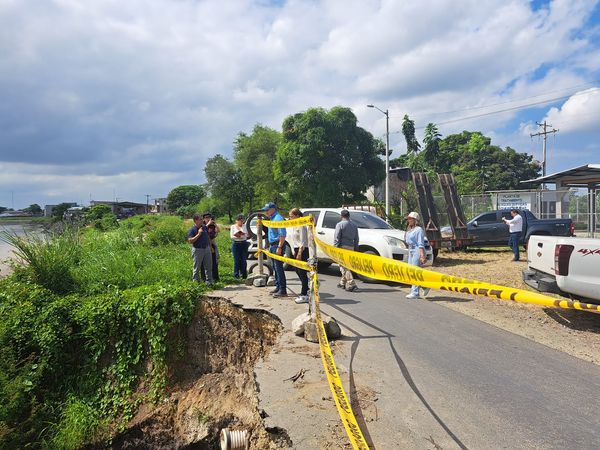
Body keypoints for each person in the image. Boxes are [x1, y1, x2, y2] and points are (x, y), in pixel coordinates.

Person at [262, 202, 287, 297]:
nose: (266, 212)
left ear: (273, 209)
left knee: (278, 268)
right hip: (273, 245)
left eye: (267, 210)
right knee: (275, 267)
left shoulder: (278, 218)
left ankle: (283, 290)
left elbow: (282, 234)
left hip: (277, 245)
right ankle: (278, 286)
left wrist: (279, 247)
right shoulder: (272, 218)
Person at [405, 211, 430, 299]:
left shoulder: (418, 230)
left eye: (410, 219)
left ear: (415, 220)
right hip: (411, 250)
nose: (409, 220)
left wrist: (422, 255)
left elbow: (420, 244)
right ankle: (425, 286)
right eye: (408, 219)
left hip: (417, 250)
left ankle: (415, 293)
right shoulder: (409, 229)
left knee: (414, 271)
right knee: (410, 271)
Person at [334, 209, 359, 292]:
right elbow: (356, 238)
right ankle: (342, 283)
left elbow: (337, 237)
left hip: (342, 247)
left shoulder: (340, 224)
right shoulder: (354, 225)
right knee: (347, 266)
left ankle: (352, 284)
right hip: (351, 247)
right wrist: (356, 248)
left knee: (343, 267)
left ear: (341, 216)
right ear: (349, 216)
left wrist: (335, 248)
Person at [289, 208, 309, 304]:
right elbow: (294, 239)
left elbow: (303, 240)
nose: (290, 218)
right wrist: (294, 250)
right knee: (297, 270)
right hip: (296, 249)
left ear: (297, 215)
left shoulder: (301, 225)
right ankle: (308, 288)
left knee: (302, 272)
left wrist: (300, 252)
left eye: (291, 216)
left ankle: (304, 294)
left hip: (302, 250)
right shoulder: (295, 224)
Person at [187, 213, 213, 285]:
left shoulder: (204, 227)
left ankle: (209, 282)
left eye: (202, 219)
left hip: (206, 248)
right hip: (198, 249)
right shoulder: (192, 229)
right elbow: (190, 241)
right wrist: (198, 234)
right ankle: (196, 282)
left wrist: (210, 247)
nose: (202, 220)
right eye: (200, 219)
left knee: (208, 266)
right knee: (197, 267)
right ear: (195, 221)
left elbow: (208, 237)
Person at [200, 213, 220, 282]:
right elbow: (203, 231)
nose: (208, 218)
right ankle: (204, 278)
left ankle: (214, 277)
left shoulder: (212, 226)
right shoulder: (202, 225)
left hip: (212, 244)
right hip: (205, 245)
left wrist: (215, 224)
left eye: (209, 217)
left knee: (214, 261)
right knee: (204, 262)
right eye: (206, 217)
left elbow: (218, 231)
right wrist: (208, 224)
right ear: (203, 219)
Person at [230, 213, 249, 278]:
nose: (241, 221)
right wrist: (239, 236)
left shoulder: (245, 226)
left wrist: (243, 235)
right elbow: (232, 236)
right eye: (240, 220)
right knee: (237, 260)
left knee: (243, 259)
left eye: (242, 220)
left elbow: (247, 235)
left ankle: (244, 274)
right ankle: (236, 274)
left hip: (244, 243)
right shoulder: (233, 226)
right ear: (236, 220)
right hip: (236, 244)